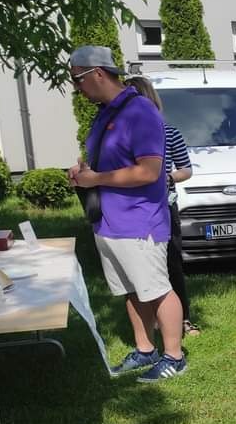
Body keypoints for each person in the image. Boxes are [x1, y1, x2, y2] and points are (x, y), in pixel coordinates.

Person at [67, 45, 187, 382]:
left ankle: (174, 356)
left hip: (139, 221)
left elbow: (150, 172)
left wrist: (96, 178)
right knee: (131, 291)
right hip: (109, 221)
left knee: (157, 289)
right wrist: (81, 170)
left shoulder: (141, 112)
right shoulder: (105, 112)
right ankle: (145, 349)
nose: (77, 88)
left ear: (98, 74)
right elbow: (110, 161)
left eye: (78, 80)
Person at [124, 76, 200, 337]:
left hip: (164, 207)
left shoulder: (168, 131)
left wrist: (167, 177)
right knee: (140, 267)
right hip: (132, 210)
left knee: (171, 265)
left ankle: (183, 320)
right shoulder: (124, 134)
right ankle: (151, 322)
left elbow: (186, 169)